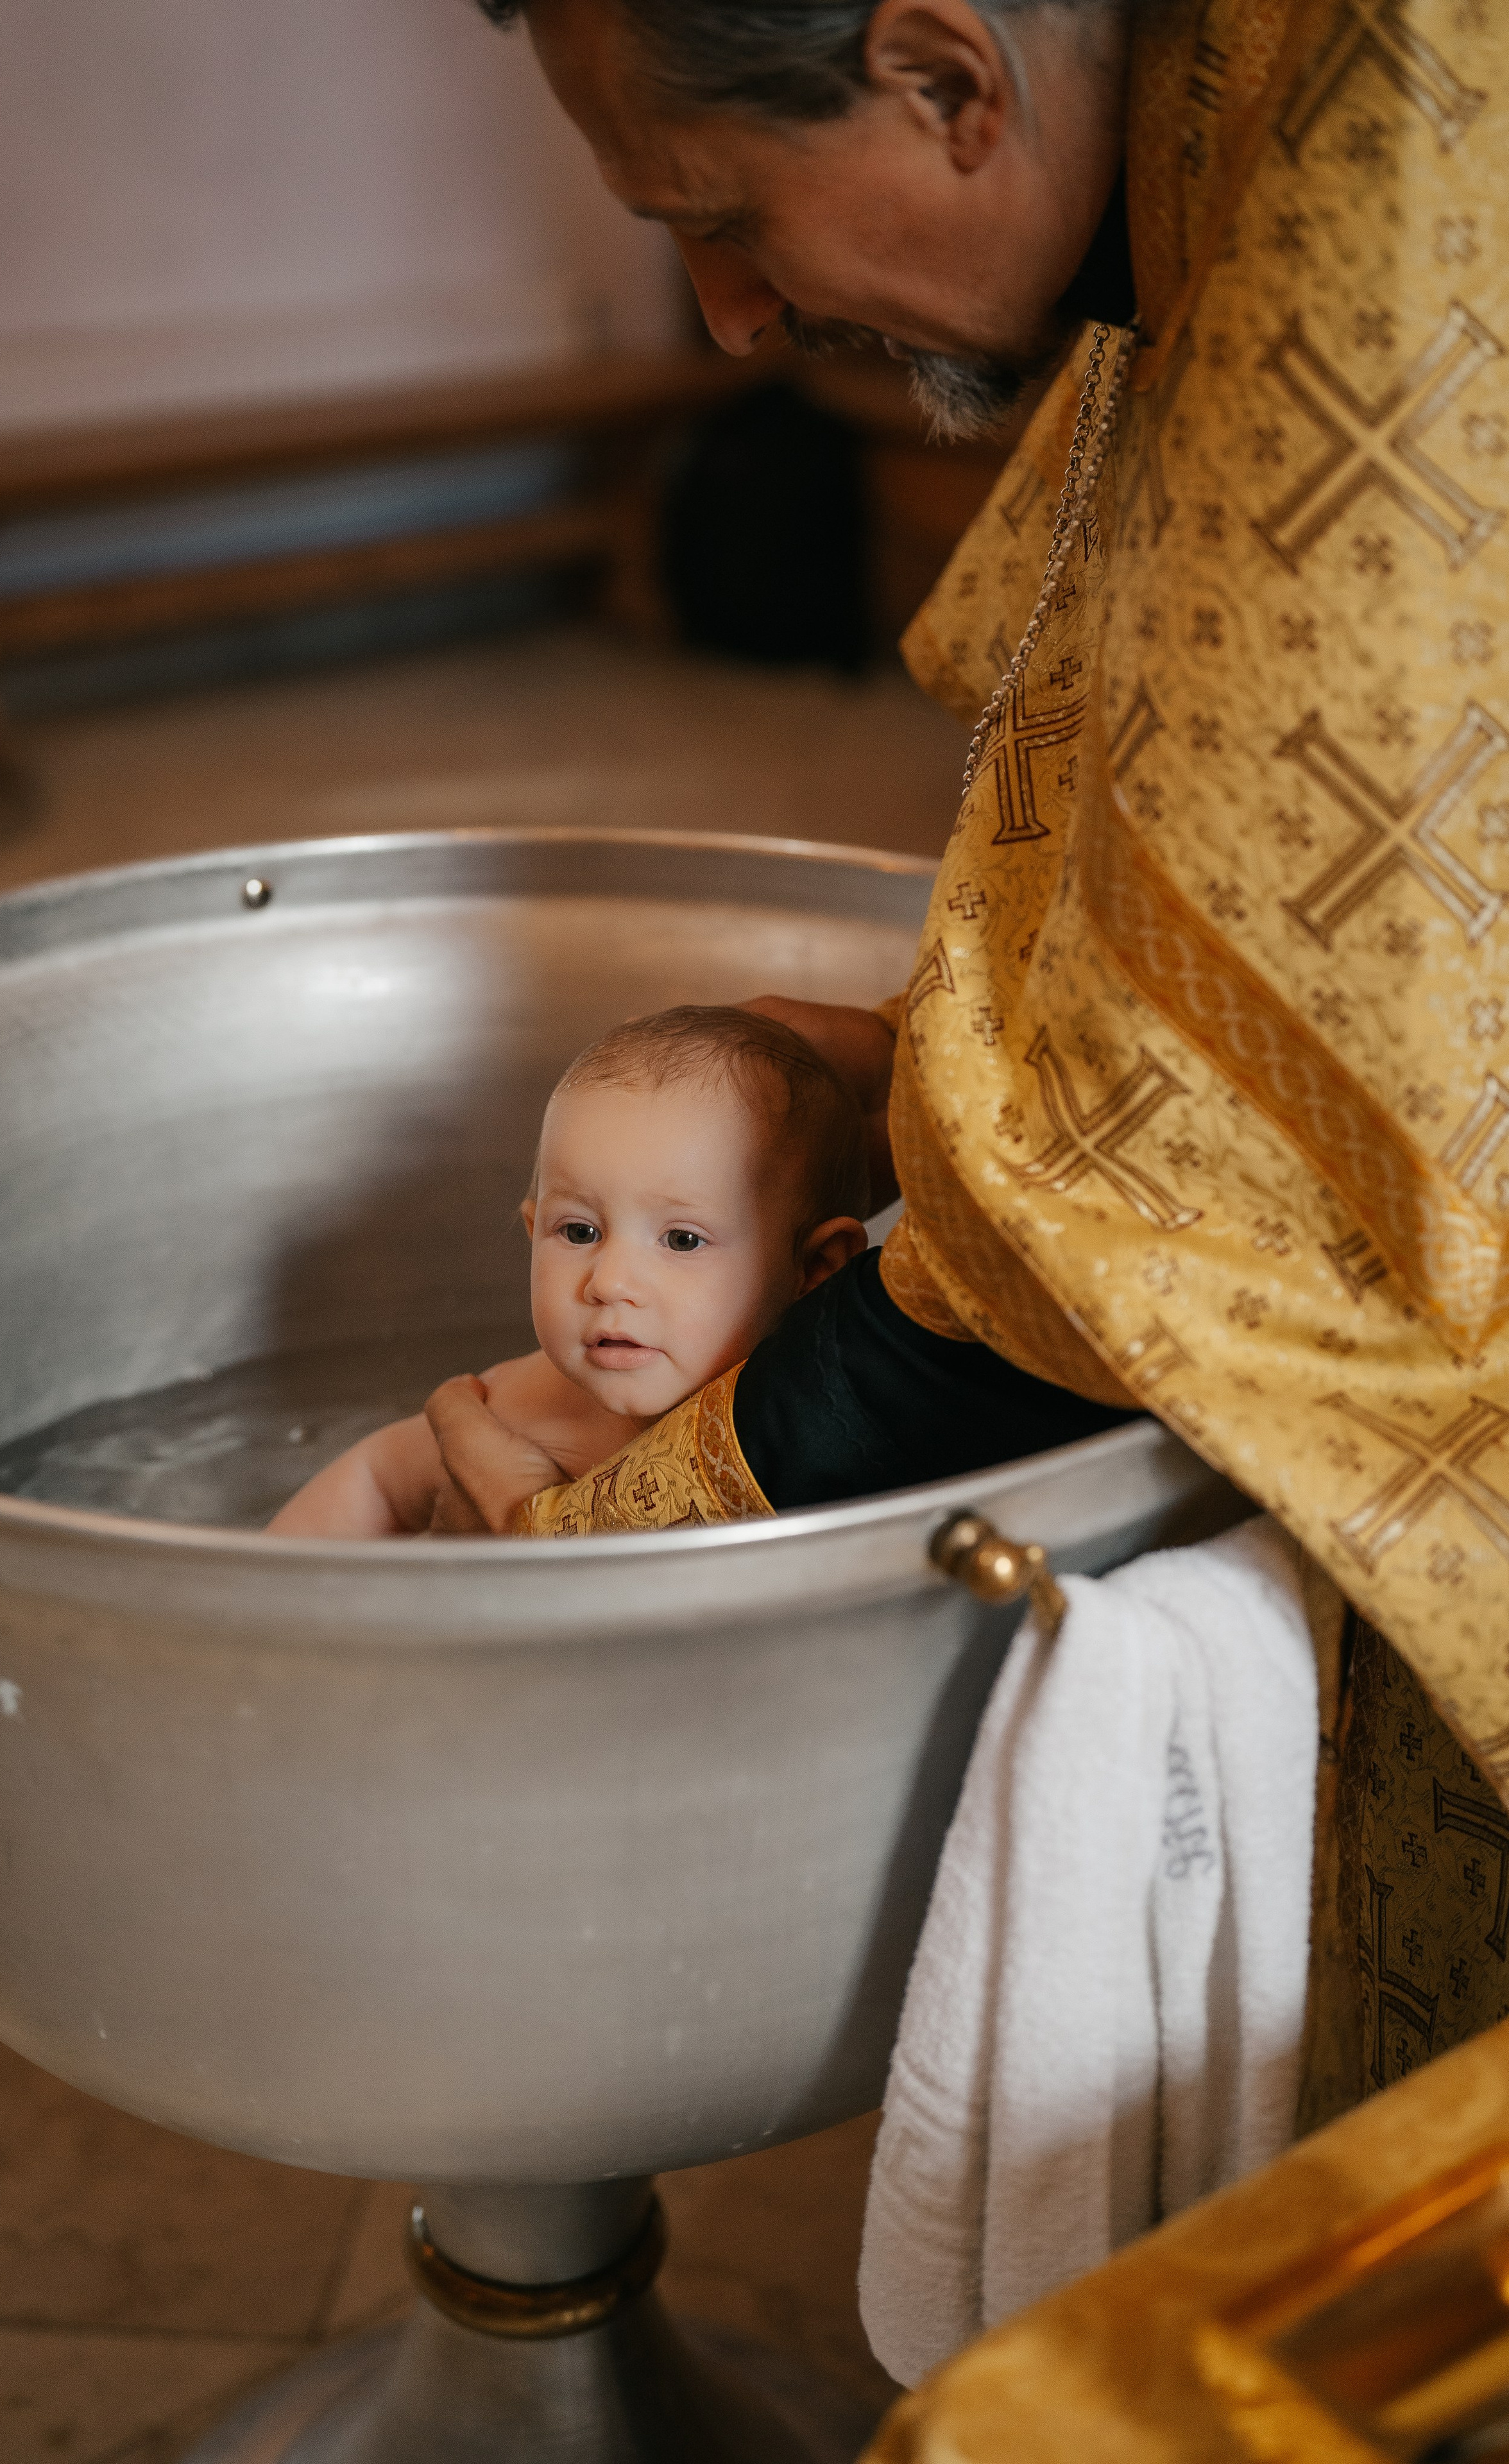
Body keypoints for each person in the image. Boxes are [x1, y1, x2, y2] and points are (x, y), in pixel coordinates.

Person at [448, 0, 1509, 2136]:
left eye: (720, 216)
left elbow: (1193, 1184)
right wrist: (943, 1054)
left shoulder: (1395, 179)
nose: (731, 318)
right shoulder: (1223, 123)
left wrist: (622, 1530)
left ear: (946, 79)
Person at [269, 1006, 875, 1535]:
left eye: (682, 1240)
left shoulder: (844, 1428)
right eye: (579, 1232)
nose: (609, 1282)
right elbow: (376, 1480)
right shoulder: (520, 1410)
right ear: (534, 1233)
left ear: (816, 1270)